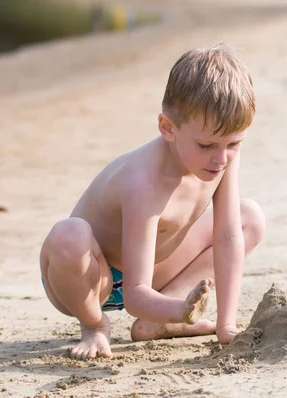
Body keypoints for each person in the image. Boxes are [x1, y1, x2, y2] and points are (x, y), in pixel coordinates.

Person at [39, 43, 266, 360]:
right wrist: (181, 309)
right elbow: (134, 295)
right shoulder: (144, 182)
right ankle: (94, 326)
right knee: (68, 235)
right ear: (167, 128)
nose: (221, 157)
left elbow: (227, 236)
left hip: (153, 271)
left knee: (248, 219)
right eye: (206, 144)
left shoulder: (222, 156)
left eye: (234, 143)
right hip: (90, 278)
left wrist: (226, 325)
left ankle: (155, 323)